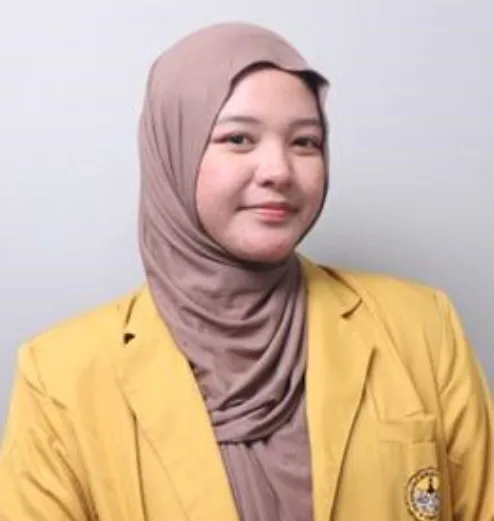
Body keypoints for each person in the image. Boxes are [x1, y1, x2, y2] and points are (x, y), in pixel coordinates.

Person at [0, 21, 492, 521]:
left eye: (305, 142)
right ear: (173, 152)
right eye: (238, 138)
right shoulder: (61, 376)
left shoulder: (421, 327)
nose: (279, 170)